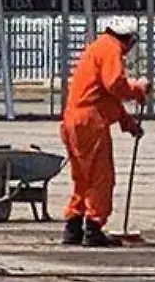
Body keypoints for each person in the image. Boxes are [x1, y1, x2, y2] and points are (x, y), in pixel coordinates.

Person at [59, 18, 149, 248]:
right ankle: (94, 226)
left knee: (82, 177)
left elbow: (106, 98)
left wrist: (127, 123)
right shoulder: (111, 49)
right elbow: (115, 85)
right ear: (129, 39)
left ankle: (73, 225)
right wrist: (137, 88)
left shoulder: (97, 47)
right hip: (89, 122)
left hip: (73, 119)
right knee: (101, 177)